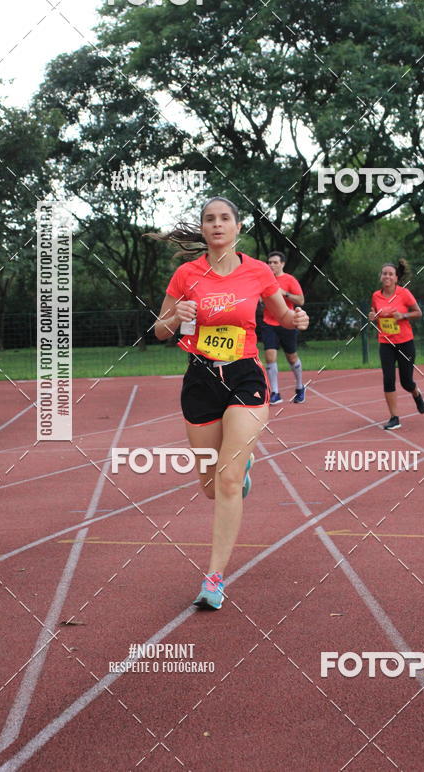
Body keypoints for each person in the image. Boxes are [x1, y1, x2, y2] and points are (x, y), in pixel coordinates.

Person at [153, 197, 309, 610]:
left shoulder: (258, 270)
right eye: (210, 219)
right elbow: (159, 330)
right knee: (210, 487)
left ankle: (214, 578)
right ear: (203, 229)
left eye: (225, 218)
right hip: (201, 380)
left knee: (225, 479)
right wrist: (176, 315)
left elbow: (281, 315)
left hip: (245, 376)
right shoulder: (186, 274)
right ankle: (240, 471)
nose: (217, 224)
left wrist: (298, 320)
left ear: (238, 227)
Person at [368, 260, 424, 430]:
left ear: (396, 278)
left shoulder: (404, 293)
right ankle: (394, 417)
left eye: (390, 274)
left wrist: (403, 316)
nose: (387, 276)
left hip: (405, 342)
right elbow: (376, 315)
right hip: (385, 342)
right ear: (381, 277)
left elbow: (418, 313)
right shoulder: (375, 296)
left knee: (406, 382)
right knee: (388, 379)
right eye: (384, 273)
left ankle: (416, 394)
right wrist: (372, 317)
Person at [261, 251, 306, 404]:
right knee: (269, 356)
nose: (271, 265)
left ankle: (300, 387)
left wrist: (284, 293)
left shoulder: (289, 279)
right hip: (268, 322)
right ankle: (275, 392)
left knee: (291, 357)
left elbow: (300, 300)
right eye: (269, 262)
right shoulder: (265, 280)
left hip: (287, 322)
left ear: (282, 264)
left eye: (275, 262)